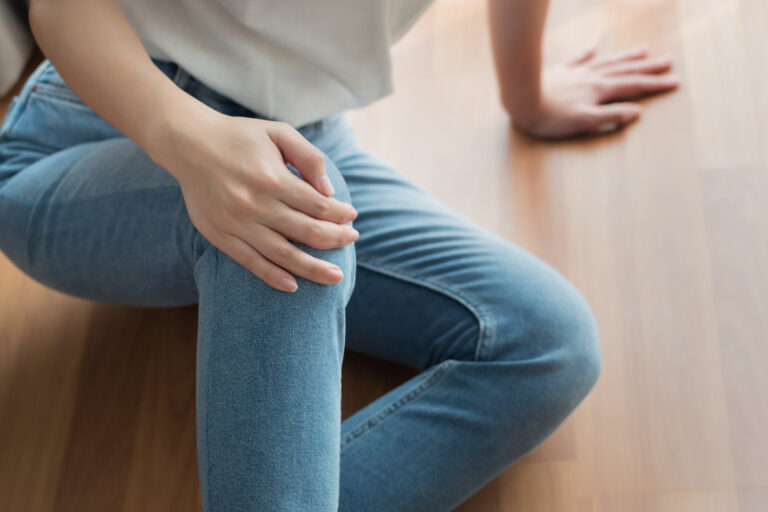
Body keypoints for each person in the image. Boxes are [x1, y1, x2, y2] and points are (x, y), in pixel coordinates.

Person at [0, 0, 677, 510]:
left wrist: (527, 98)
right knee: (286, 216)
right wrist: (190, 143)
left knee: (546, 343)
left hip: (305, 134)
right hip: (97, 129)